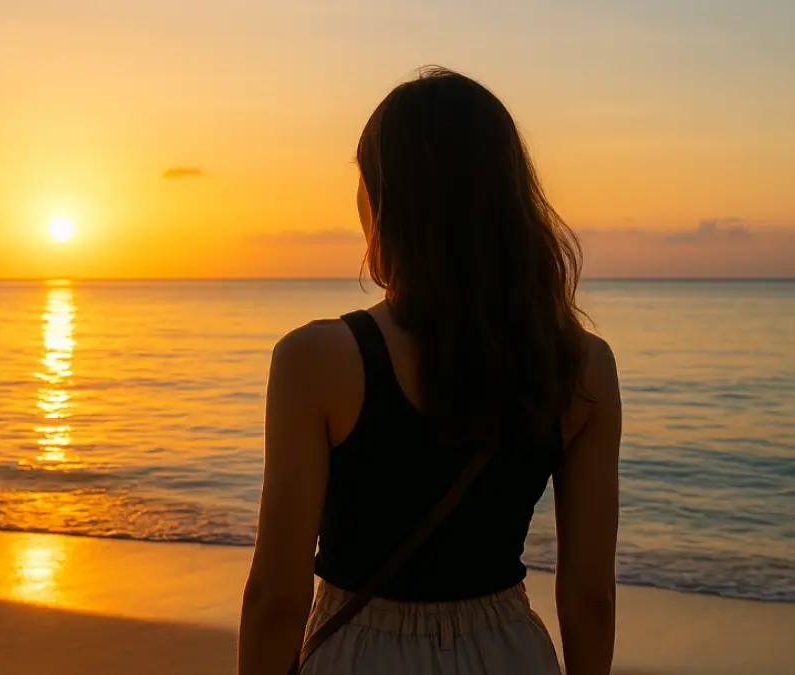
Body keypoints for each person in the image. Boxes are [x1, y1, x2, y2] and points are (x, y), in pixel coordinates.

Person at [237, 67, 622, 675]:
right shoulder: (582, 366)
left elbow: (275, 598)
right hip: (510, 650)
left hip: (360, 652)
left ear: (384, 199)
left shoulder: (316, 359)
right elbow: (590, 597)